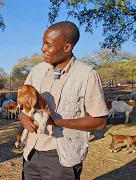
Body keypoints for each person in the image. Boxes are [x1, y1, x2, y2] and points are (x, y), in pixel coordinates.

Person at [19, 21, 108, 180]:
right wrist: (23, 116)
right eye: (43, 43)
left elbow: (100, 122)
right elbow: (22, 101)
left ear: (67, 47)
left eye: (48, 44)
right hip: (30, 152)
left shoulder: (87, 75)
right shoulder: (37, 70)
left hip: (61, 156)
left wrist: (59, 122)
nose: (42, 48)